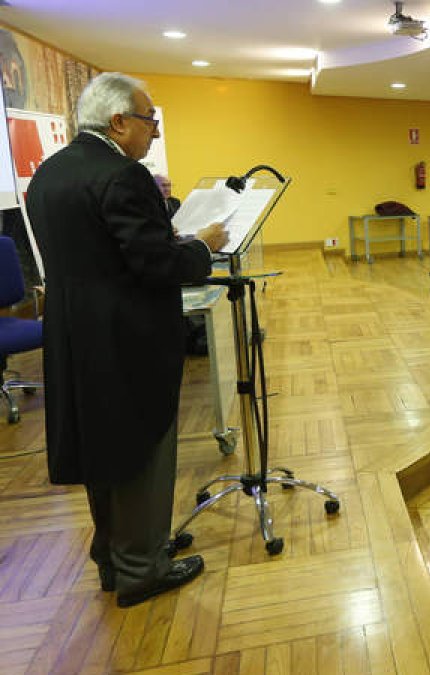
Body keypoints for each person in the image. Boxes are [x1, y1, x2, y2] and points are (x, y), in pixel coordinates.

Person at [26, 73, 228, 607]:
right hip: (127, 338)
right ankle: (144, 567)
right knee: (142, 447)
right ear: (118, 122)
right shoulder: (123, 174)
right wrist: (203, 247)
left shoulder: (50, 172)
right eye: (149, 121)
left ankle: (116, 555)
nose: (154, 134)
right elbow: (156, 264)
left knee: (102, 449)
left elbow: (102, 251)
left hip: (74, 333)